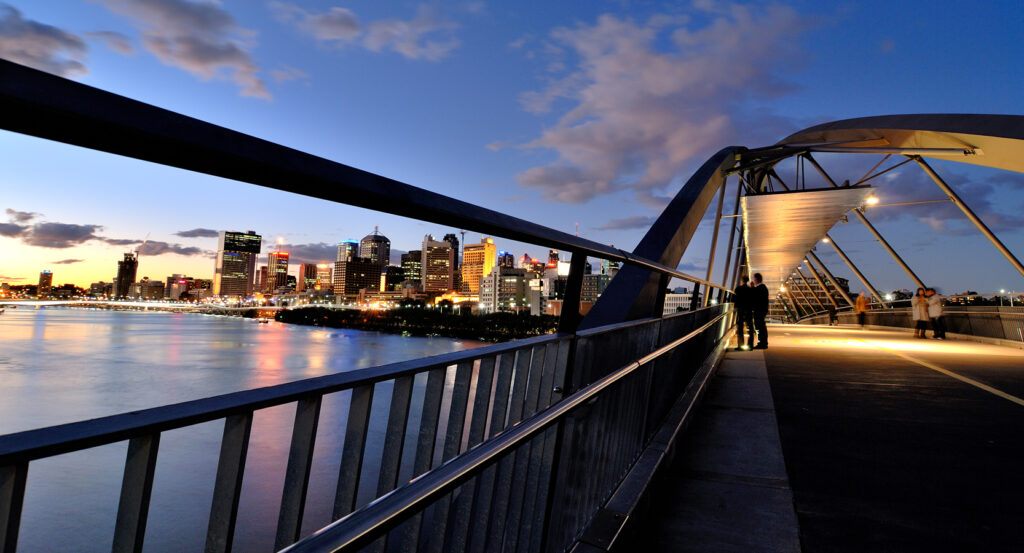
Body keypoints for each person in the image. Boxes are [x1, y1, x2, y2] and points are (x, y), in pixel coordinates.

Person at [733, 275, 754, 350]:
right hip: (748, 309)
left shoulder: (738, 289)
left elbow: (735, 298)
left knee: (740, 327)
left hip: (741, 309)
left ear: (742, 280)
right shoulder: (750, 289)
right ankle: (750, 345)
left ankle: (740, 346)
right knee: (750, 327)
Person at [751, 273, 769, 349]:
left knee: (760, 326)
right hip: (762, 310)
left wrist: (752, 288)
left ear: (756, 279)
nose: (753, 280)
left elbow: (755, 297)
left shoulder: (760, 288)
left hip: (759, 310)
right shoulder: (763, 287)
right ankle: (762, 342)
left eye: (754, 279)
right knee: (760, 326)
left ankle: (763, 343)